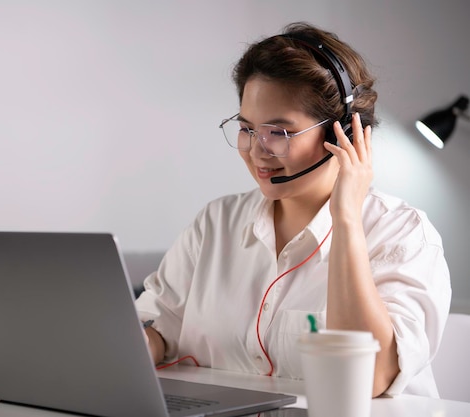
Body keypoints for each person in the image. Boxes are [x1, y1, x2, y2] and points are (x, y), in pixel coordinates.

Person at [134, 21, 451, 398]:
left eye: (279, 132)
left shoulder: (402, 234)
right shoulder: (216, 223)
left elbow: (369, 378)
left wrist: (347, 219)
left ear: (344, 132)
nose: (256, 150)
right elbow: (158, 329)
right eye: (247, 129)